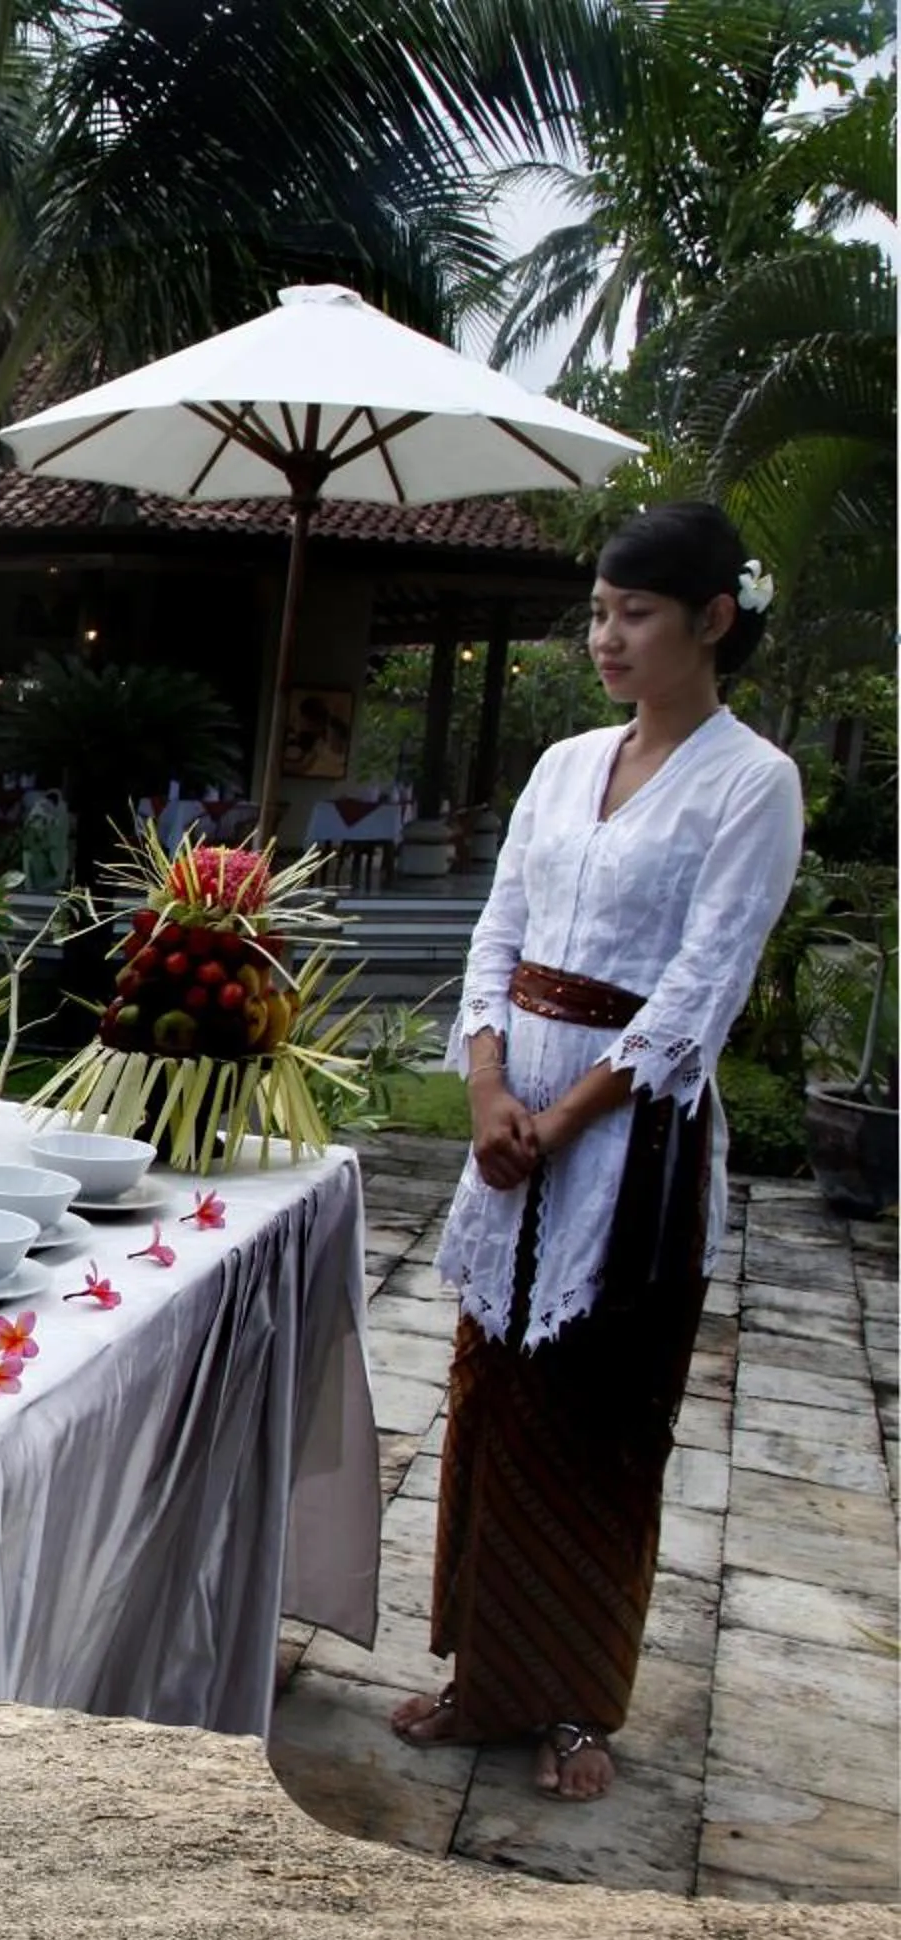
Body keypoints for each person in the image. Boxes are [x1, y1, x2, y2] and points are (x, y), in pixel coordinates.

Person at [394, 502, 802, 1804]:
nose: (607, 638)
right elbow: (495, 933)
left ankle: (572, 1700)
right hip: (512, 1119)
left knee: (597, 1419)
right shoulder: (564, 764)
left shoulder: (753, 783)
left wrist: (563, 1125)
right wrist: (488, 1088)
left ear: (711, 623)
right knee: (493, 1403)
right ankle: (483, 1678)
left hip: (632, 1149)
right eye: (598, 613)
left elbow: (701, 988)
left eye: (635, 615)